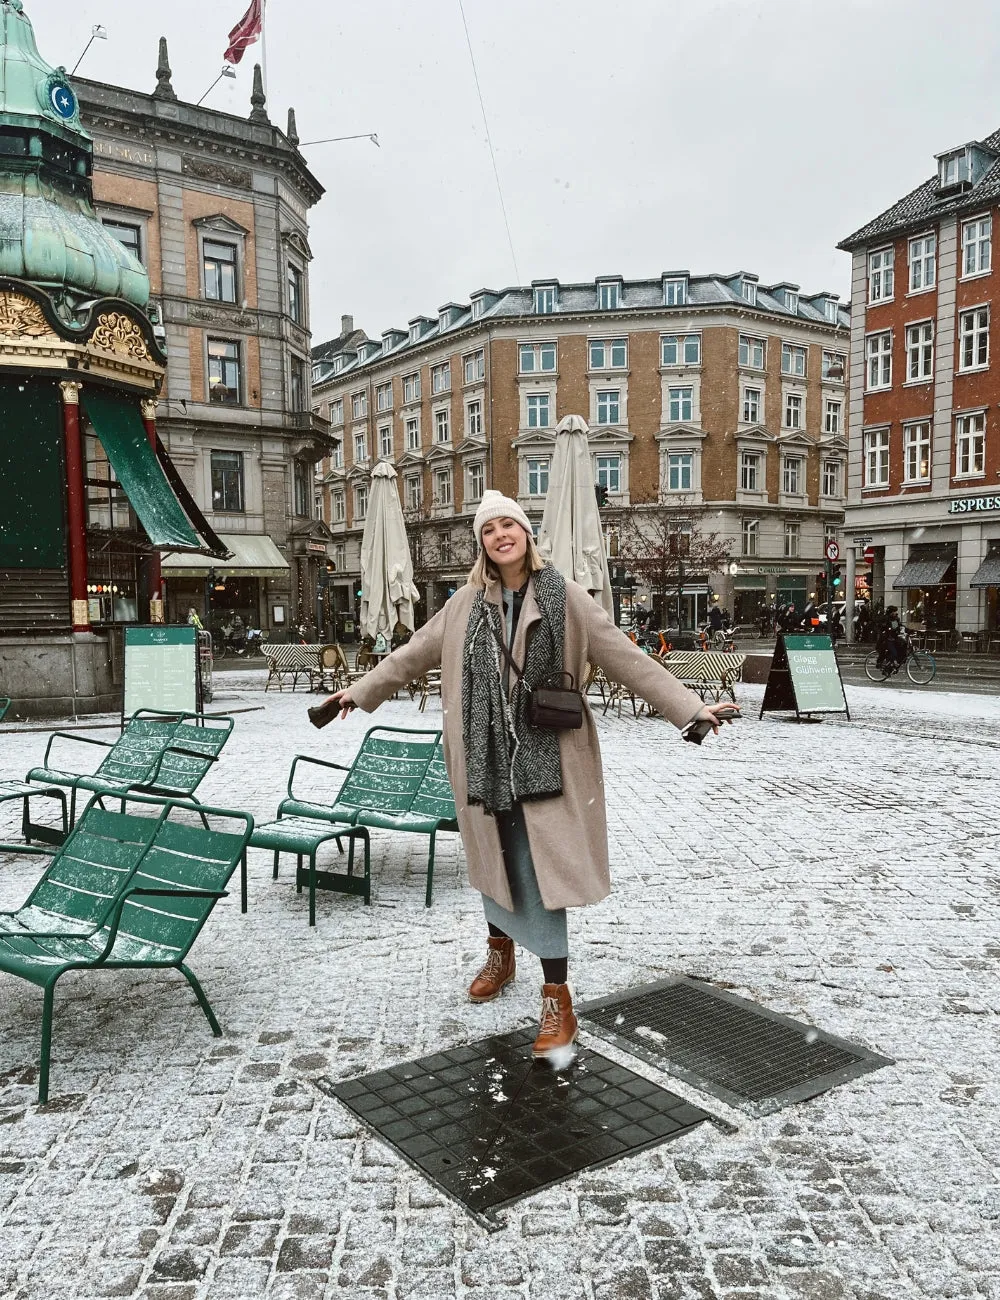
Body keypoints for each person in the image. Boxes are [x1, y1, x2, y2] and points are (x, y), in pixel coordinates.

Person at [320, 491, 736, 1063]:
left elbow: (622, 654)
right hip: (486, 757)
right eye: (488, 529)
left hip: (548, 759)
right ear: (481, 543)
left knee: (543, 875)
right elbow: (410, 655)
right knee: (496, 859)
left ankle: (557, 996)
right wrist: (358, 692)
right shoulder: (464, 603)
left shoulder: (564, 596)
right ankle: (500, 951)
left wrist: (690, 709)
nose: (500, 535)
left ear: (526, 533)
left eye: (508, 524)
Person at [876, 605, 904, 673]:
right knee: (894, 652)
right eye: (894, 612)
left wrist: (907, 630)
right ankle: (887, 666)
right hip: (886, 639)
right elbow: (883, 628)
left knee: (902, 647)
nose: (896, 613)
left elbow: (897, 627)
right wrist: (889, 629)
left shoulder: (894, 619)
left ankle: (892, 665)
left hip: (893, 638)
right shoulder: (886, 619)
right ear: (891, 612)